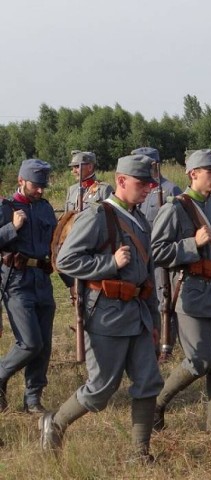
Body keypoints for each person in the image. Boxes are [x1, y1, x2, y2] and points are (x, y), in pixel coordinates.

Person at [40, 154, 164, 462]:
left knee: (149, 382)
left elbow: (146, 273)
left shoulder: (140, 219)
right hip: (106, 312)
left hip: (137, 312)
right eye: (141, 183)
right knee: (101, 389)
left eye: (149, 183)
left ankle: (139, 453)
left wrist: (155, 318)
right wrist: (110, 263)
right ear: (121, 181)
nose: (147, 189)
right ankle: (55, 423)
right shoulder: (98, 215)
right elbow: (66, 260)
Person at [151, 149, 211, 433]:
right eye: (210, 172)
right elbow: (157, 252)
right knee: (200, 360)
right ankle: (158, 404)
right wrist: (192, 244)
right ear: (193, 174)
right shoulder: (175, 208)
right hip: (191, 292)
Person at [0, 159, 57, 414]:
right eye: (36, 185)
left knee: (43, 345)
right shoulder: (6, 207)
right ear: (21, 181)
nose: (41, 190)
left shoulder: (45, 208)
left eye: (43, 185)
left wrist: (72, 285)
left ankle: (32, 399)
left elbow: (55, 248)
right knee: (29, 342)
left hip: (42, 281)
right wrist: (13, 227)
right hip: (16, 281)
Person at [130, 147, 182, 356]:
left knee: (164, 300)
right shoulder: (135, 191)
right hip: (137, 256)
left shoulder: (170, 190)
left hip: (159, 257)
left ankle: (165, 344)